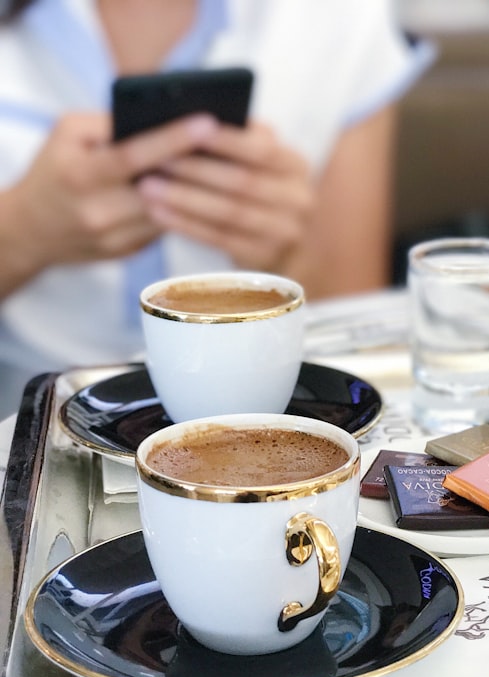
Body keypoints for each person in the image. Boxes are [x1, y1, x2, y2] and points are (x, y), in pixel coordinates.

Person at [0, 0, 433, 416]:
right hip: (25, 408)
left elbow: (357, 331)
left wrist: (287, 260)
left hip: (257, 403)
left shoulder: (341, 14)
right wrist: (22, 232)